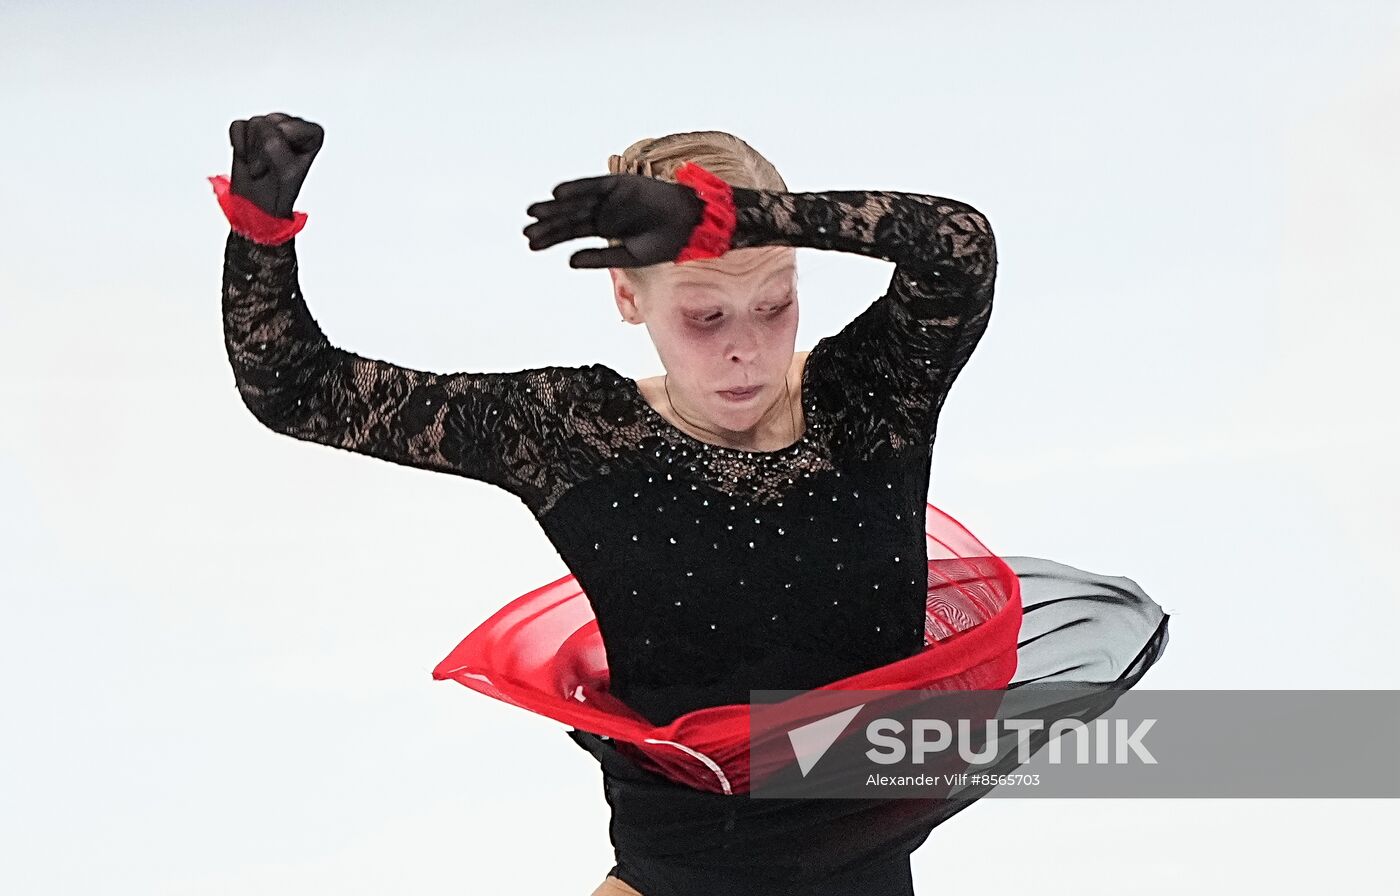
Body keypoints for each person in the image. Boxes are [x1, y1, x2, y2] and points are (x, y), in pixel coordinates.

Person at [210, 113, 1169, 896]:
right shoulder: (576, 433)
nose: (746, 347)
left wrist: (744, 217)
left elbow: (959, 248)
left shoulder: (871, 401)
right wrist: (260, 232)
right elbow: (303, 391)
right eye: (704, 315)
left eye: (776, 301)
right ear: (629, 297)